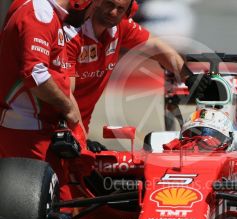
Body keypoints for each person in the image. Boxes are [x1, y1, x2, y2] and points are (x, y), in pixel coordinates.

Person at [64, 0, 207, 152]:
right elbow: (65, 95)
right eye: (109, 4)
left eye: (120, 8)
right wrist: (82, 139)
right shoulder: (71, 34)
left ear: (128, 10)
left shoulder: (120, 27)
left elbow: (155, 46)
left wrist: (188, 77)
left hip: (78, 130)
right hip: (51, 129)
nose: (113, 12)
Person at [0, 0, 94, 203]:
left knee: (61, 206)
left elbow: (59, 77)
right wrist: (68, 109)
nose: (90, 16)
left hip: (37, 130)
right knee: (49, 211)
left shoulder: (51, 15)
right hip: (27, 133)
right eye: (93, 7)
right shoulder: (40, 15)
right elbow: (35, 74)